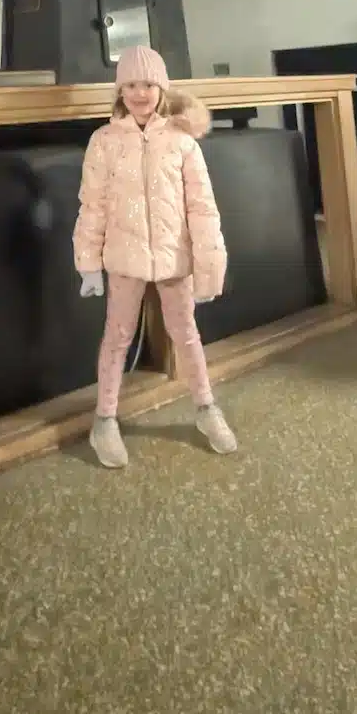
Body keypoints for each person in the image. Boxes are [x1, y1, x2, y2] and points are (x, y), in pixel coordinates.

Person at [73, 44, 237, 468]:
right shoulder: (104, 142)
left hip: (173, 259)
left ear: (161, 88)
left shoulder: (183, 142)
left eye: (147, 84)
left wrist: (208, 269)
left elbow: (202, 208)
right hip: (124, 259)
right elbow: (93, 204)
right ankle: (104, 419)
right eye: (130, 84)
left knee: (186, 334)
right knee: (117, 337)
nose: (139, 93)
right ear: (120, 90)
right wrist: (88, 262)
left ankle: (206, 409)